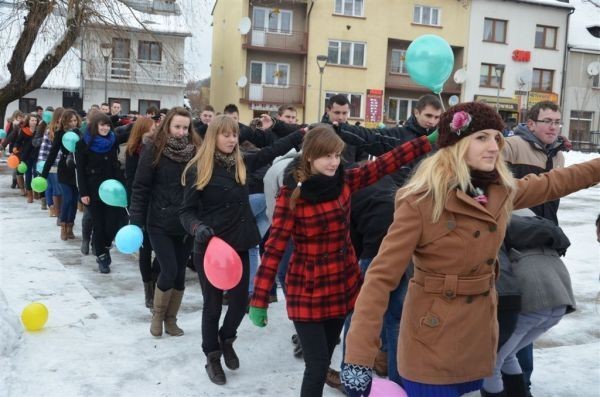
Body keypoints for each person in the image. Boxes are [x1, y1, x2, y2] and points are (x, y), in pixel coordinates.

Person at [341, 102, 600, 397]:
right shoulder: (421, 201)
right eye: (481, 138)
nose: (493, 147)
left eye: (496, 138)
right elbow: (379, 280)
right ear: (455, 144)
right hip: (431, 341)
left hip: (476, 338)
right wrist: (358, 358)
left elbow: (556, 182)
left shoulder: (498, 191)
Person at [249, 125, 435, 397]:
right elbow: (274, 246)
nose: (334, 162)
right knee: (316, 365)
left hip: (341, 284)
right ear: (310, 156)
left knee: (326, 356)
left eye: (337, 155)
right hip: (308, 289)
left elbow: (387, 162)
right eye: (327, 156)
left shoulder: (344, 181)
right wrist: (259, 298)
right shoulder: (292, 195)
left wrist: (425, 142)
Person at [179, 115, 305, 386]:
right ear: (214, 136)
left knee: (239, 303)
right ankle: (212, 356)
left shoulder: (242, 162)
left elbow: (273, 150)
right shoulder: (198, 168)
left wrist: (300, 134)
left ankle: (227, 339)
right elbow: (186, 212)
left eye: (235, 134)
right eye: (225, 134)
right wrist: (197, 227)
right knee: (212, 305)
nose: (231, 139)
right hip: (212, 247)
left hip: (239, 243)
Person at [500, 100, 568, 392]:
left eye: (557, 121)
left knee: (540, 313)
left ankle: (517, 381)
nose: (553, 126)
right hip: (515, 243)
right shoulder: (513, 146)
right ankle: (511, 382)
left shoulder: (559, 156)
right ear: (531, 124)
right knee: (525, 313)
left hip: (544, 241)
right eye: (547, 121)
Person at [481, 209, 574, 397]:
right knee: (507, 356)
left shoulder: (492, 216)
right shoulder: (531, 218)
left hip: (531, 300)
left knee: (489, 364)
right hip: (559, 297)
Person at [130, 107, 201, 333]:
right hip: (159, 221)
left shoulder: (196, 152)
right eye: (177, 127)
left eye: (185, 127)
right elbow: (140, 187)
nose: (181, 132)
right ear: (168, 125)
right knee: (168, 269)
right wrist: (136, 222)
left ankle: (171, 319)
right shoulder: (153, 149)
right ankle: (157, 316)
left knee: (180, 272)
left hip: (186, 223)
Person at [75, 112, 128, 274]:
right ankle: (102, 257)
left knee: (112, 224)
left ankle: (103, 245)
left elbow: (129, 133)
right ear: (95, 126)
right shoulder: (83, 144)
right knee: (99, 225)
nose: (105, 128)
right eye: (101, 125)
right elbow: (80, 172)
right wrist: (84, 193)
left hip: (112, 191)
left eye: (107, 125)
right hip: (93, 191)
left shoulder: (112, 141)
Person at [125, 116, 160, 309]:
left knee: (161, 251)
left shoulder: (157, 149)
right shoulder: (133, 151)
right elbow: (132, 181)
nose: (153, 131)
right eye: (149, 129)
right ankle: (149, 291)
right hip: (141, 206)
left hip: (159, 205)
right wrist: (135, 209)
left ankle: (155, 279)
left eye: (154, 128)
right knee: (145, 249)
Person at [41, 109, 82, 241]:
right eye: (70, 121)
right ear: (65, 121)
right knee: (68, 198)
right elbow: (52, 154)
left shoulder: (79, 133)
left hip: (77, 170)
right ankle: (63, 225)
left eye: (75, 120)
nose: (73, 123)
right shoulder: (60, 134)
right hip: (64, 168)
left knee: (75, 200)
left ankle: (70, 225)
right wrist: (44, 174)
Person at [37, 107, 65, 220]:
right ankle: (57, 212)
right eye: (61, 117)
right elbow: (44, 149)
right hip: (53, 164)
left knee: (61, 189)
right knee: (56, 189)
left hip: (64, 165)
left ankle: (58, 211)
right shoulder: (50, 131)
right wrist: (42, 164)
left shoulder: (68, 131)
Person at [13, 113, 39, 203]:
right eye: (32, 120)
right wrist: (15, 147)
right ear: (28, 121)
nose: (34, 122)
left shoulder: (39, 131)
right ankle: (29, 194)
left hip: (36, 155)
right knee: (28, 175)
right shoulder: (24, 130)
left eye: (35, 120)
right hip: (26, 156)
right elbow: (18, 141)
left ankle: (36, 191)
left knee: (36, 173)